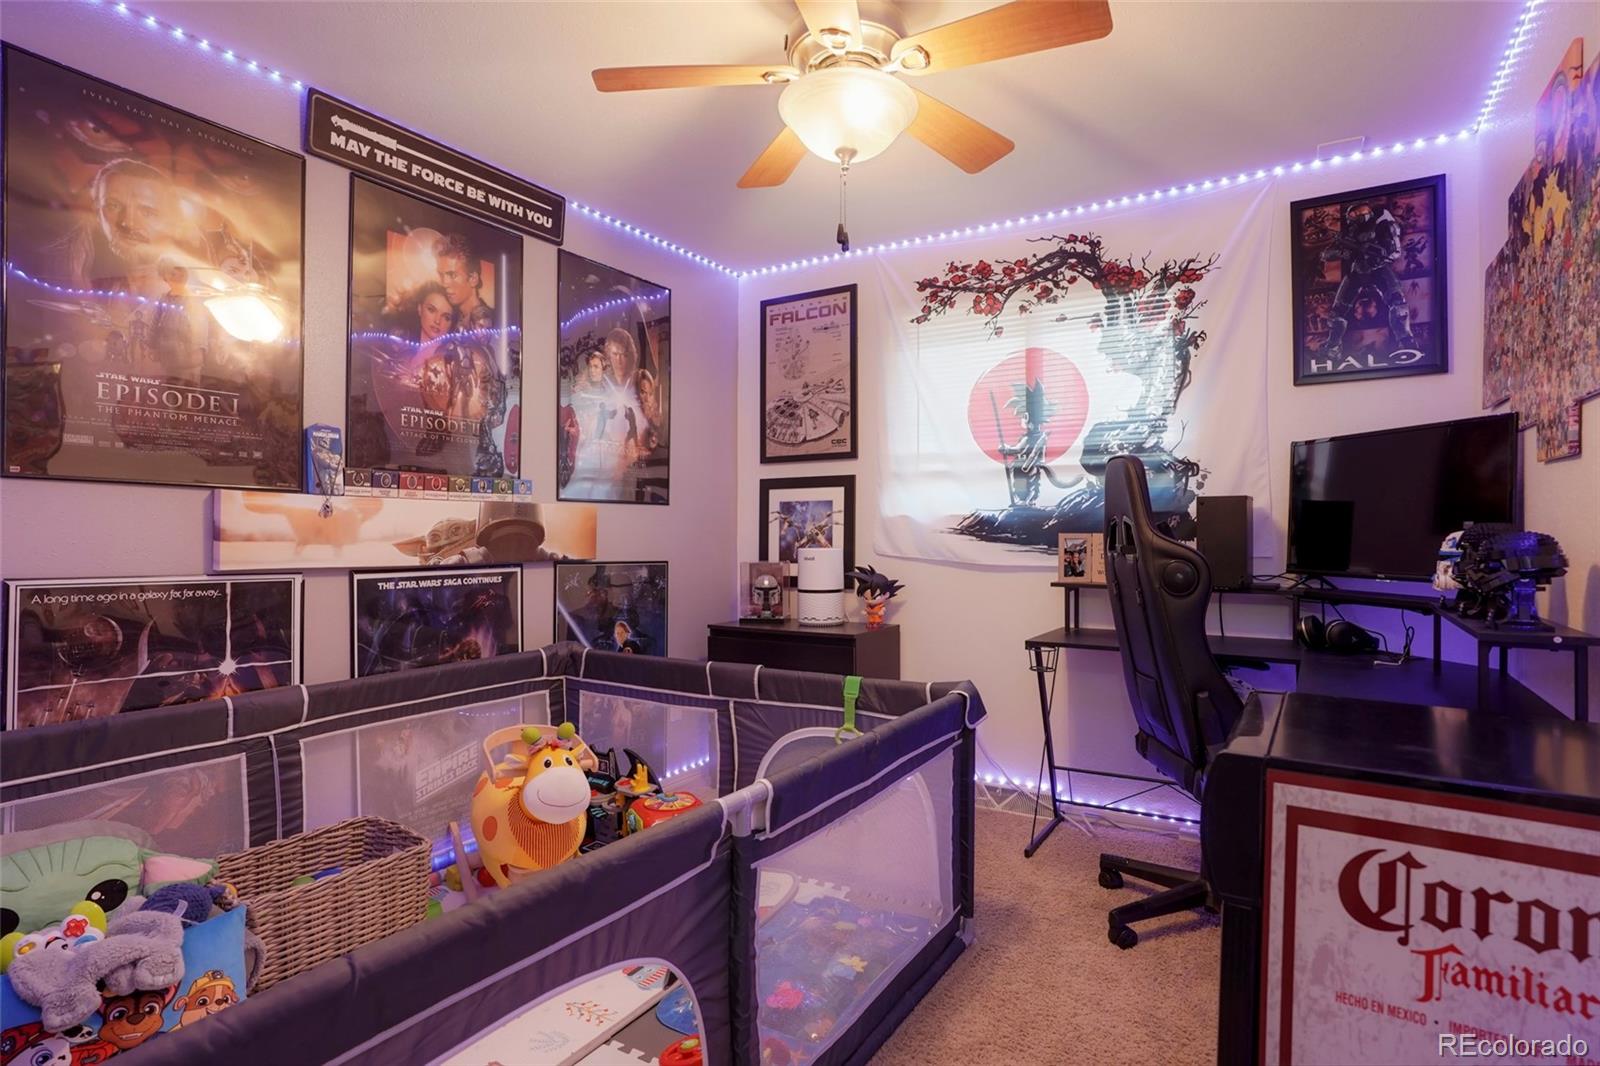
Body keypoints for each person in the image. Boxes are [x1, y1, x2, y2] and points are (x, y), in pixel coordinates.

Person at [48, 158, 189, 294]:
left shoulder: (186, 280)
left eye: (147, 212)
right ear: (97, 211)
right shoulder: (56, 269)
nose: (128, 222)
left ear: (171, 222)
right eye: (113, 206)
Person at [433, 234, 494, 332]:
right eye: (441, 275)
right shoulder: (451, 320)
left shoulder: (489, 323)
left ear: (473, 279)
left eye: (452, 275)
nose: (444, 283)